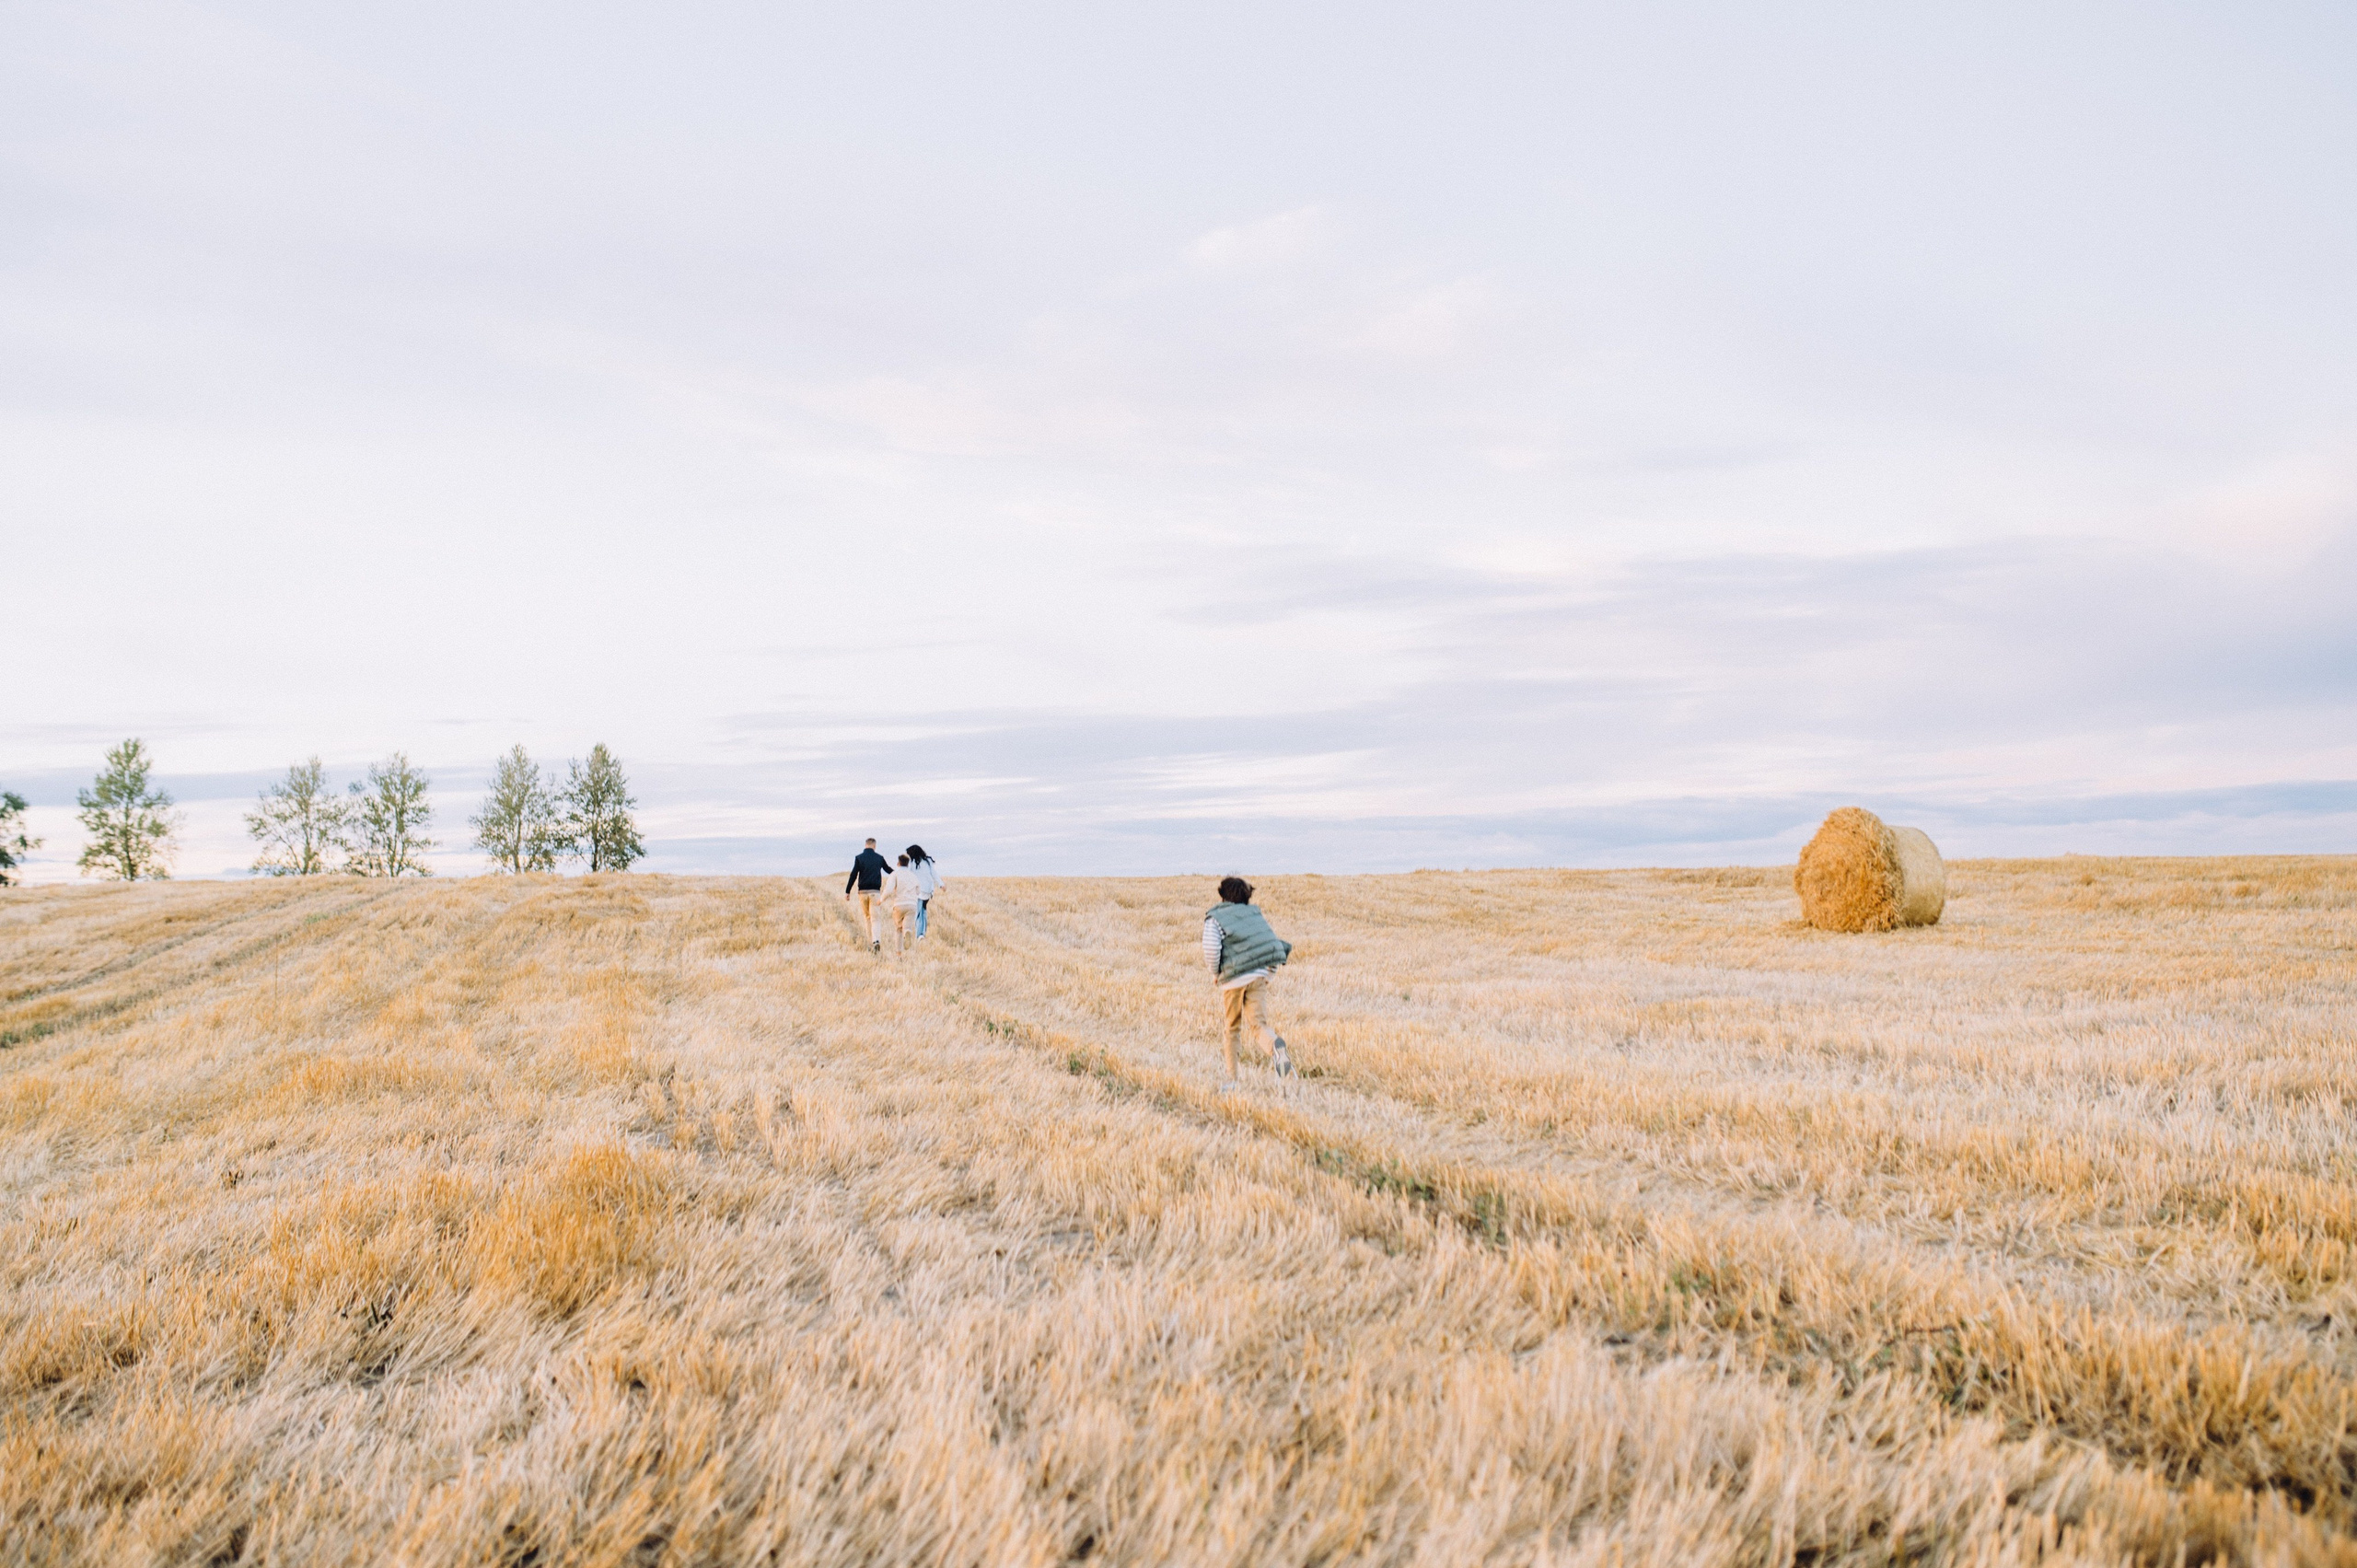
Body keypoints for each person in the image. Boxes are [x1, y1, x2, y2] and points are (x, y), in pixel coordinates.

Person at [1202, 876, 1294, 1091]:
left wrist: (1216, 973)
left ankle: (1232, 1080)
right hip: (1258, 976)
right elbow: (1271, 945)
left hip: (1233, 980)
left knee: (1232, 1028)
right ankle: (1277, 1050)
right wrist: (1268, 975)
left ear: (1223, 895)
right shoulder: (1255, 916)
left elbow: (1211, 949)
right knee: (1259, 1026)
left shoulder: (1215, 918)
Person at [844, 838, 893, 953]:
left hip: (862, 893)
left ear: (865, 845)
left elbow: (853, 875)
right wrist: (900, 873)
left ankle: (870, 942)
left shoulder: (859, 858)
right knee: (876, 918)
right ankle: (876, 940)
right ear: (874, 846)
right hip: (875, 892)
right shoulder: (879, 858)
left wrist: (847, 891)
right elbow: (888, 870)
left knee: (867, 917)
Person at [885, 853, 924, 954]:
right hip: (912, 904)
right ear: (908, 864)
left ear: (898, 863)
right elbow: (918, 891)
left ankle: (899, 953)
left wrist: (881, 899)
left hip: (899, 904)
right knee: (907, 926)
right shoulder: (913, 876)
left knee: (898, 929)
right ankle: (907, 931)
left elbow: (888, 890)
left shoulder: (895, 874)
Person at [903, 844, 945, 937]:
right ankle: (922, 933)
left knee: (918, 912)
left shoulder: (912, 863)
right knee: (923, 910)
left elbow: (908, 876)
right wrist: (941, 884)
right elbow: (934, 874)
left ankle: (919, 934)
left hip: (917, 891)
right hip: (927, 890)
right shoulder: (928, 861)